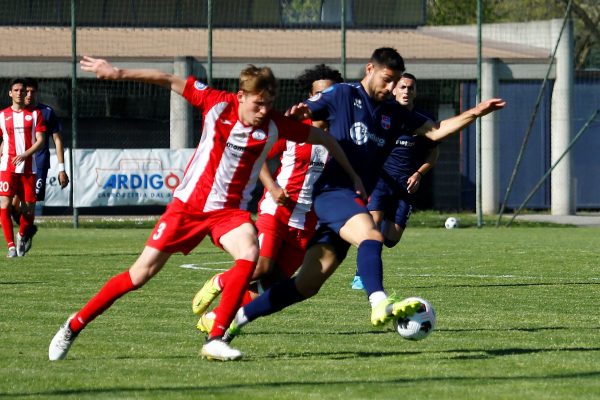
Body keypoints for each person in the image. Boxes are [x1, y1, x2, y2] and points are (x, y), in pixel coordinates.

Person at [48, 57, 363, 362]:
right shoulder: (217, 103)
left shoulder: (276, 124)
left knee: (250, 253)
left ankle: (215, 337)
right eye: (257, 103)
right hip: (187, 208)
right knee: (138, 275)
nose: (263, 110)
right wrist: (117, 73)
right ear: (241, 96)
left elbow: (323, 137)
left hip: (228, 213)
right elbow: (169, 79)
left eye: (269, 103)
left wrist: (354, 176)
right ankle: (73, 325)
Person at [219, 47, 505, 345]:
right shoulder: (343, 95)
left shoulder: (394, 112)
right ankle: (379, 301)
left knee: (305, 286)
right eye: (387, 79)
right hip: (332, 192)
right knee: (371, 236)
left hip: (350, 201)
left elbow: (434, 131)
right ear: (370, 69)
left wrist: (476, 112)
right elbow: (308, 110)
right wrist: (302, 111)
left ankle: (233, 322)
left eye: (395, 82)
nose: (391, 88)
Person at [193, 64, 344, 334]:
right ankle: (220, 282)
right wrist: (273, 187)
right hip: (276, 211)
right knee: (260, 266)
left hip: (307, 220)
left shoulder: (341, 136)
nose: (324, 100)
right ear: (309, 97)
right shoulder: (293, 128)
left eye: (331, 94)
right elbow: (257, 154)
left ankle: (216, 317)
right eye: (318, 94)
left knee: (273, 283)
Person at [351, 72, 439, 290]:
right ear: (394, 90)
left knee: (391, 238)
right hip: (380, 180)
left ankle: (371, 249)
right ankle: (362, 274)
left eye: (410, 88)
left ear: (415, 92)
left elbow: (433, 154)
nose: (406, 91)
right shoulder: (381, 114)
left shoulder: (423, 121)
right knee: (372, 227)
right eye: (402, 87)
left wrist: (419, 173)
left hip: (406, 184)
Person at [10, 78, 70, 254]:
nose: (28, 95)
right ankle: (27, 230)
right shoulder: (15, 113)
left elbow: (57, 140)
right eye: (25, 91)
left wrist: (61, 169)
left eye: (32, 92)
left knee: (30, 203)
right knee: (13, 204)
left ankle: (23, 236)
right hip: (17, 165)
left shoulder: (47, 112)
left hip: (39, 166)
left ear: (36, 93)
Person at [0, 78, 46, 257]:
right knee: (4, 204)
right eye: (16, 90)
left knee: (29, 209)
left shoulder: (35, 115)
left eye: (23, 90)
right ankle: (11, 247)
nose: (20, 93)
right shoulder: (3, 116)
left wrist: (26, 154)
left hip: (29, 167)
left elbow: (41, 140)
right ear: (10, 93)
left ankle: (21, 236)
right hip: (7, 167)